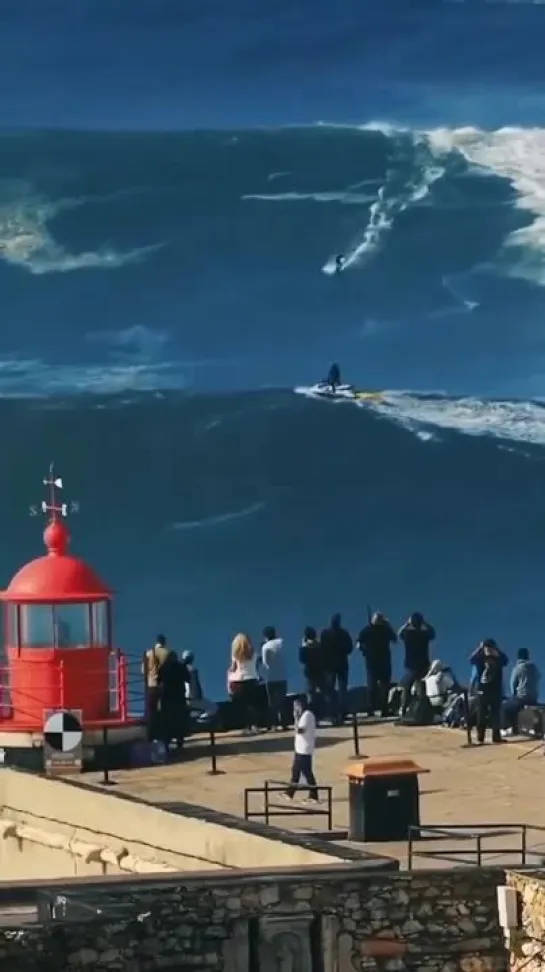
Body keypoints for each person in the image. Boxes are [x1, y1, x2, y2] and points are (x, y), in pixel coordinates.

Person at [357, 612, 397, 718]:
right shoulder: (386, 630)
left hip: (371, 661)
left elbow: (358, 645)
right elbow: (395, 639)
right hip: (384, 661)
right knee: (385, 686)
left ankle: (370, 709)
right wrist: (388, 624)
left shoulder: (366, 630)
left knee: (372, 685)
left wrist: (364, 651)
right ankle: (384, 709)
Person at [469, 638, 509, 744]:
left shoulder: (497, 658)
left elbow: (506, 660)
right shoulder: (481, 658)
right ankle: (481, 736)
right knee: (482, 713)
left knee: (494, 713)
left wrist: (494, 650)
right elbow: (471, 660)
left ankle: (494, 737)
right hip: (484, 690)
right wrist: (480, 648)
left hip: (493, 690)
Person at [398, 613, 436, 715]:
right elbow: (432, 633)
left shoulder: (408, 634)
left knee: (407, 686)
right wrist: (425, 623)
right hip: (423, 663)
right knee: (421, 686)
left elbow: (399, 633)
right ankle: (421, 709)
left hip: (411, 664)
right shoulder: (424, 635)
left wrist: (407, 623)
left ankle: (403, 708)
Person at [320, 613, 353, 724]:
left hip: (329, 666)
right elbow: (349, 649)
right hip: (342, 664)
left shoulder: (324, 634)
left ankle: (331, 713)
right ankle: (342, 713)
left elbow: (321, 649)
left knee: (329, 690)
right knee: (343, 690)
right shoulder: (344, 633)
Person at [284, 695, 318, 803]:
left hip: (305, 749)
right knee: (295, 771)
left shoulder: (307, 715)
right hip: (299, 749)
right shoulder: (303, 715)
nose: (295, 709)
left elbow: (300, 731)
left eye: (296, 707)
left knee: (307, 772)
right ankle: (290, 792)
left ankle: (314, 795)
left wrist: (296, 718)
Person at [501, 649, 540, 736]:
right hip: (534, 698)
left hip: (522, 697)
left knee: (505, 707)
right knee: (515, 706)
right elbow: (538, 678)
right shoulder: (534, 668)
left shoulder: (518, 668)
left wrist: (514, 694)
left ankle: (507, 728)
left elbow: (513, 684)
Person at [157, 649, 190, 752]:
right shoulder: (181, 667)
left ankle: (167, 744)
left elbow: (158, 681)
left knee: (167, 722)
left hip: (166, 699)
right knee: (180, 721)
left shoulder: (163, 668)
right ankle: (180, 744)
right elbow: (188, 678)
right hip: (179, 698)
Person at [228, 633, 260, 734]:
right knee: (253, 704)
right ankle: (255, 726)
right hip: (251, 679)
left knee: (243, 706)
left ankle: (247, 727)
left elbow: (233, 668)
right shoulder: (254, 653)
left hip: (238, 681)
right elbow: (256, 666)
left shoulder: (235, 655)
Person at [142, 634, 170, 741]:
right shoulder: (168, 653)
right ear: (164, 642)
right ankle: (165, 737)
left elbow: (143, 671)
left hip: (151, 686)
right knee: (165, 712)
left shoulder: (149, 653)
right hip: (164, 687)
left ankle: (151, 736)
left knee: (151, 712)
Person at [261, 626, 288, 730]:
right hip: (283, 675)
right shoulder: (282, 642)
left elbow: (265, 663)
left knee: (272, 702)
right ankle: (284, 723)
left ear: (266, 636)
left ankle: (274, 725)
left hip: (271, 677)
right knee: (283, 701)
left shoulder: (265, 647)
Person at [299, 626, 328, 719]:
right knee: (326, 693)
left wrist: (303, 645)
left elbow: (302, 660)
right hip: (321, 672)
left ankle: (313, 717)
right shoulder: (320, 646)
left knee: (311, 696)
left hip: (310, 674)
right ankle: (331, 714)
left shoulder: (304, 648)